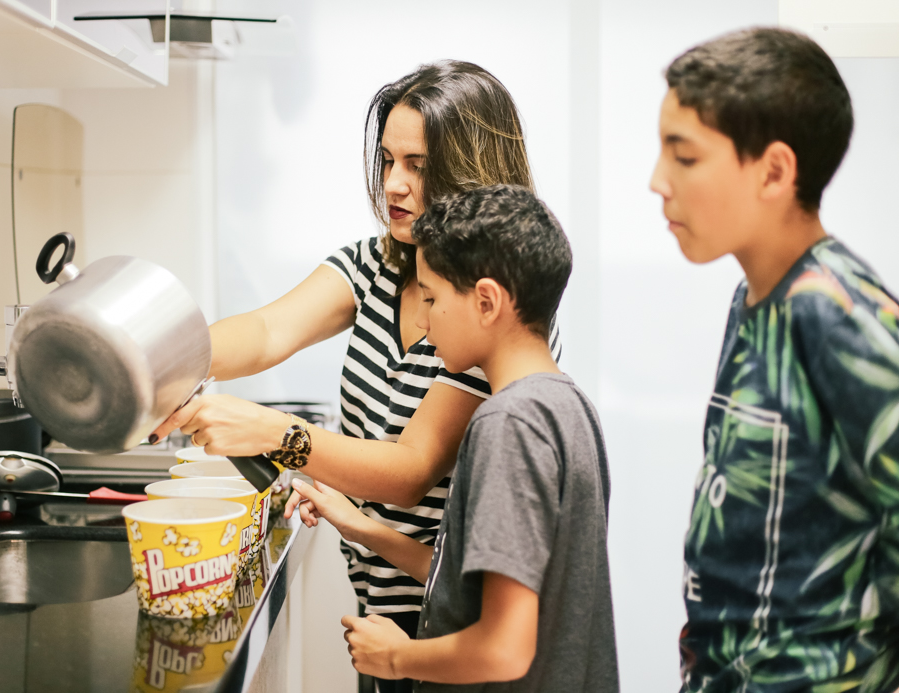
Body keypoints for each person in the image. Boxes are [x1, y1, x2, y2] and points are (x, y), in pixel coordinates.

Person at [150, 61, 562, 693]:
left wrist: (269, 431)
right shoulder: (374, 264)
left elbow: (410, 469)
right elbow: (265, 332)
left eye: (419, 166)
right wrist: (157, 363)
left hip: (446, 636)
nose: (394, 185)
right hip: (384, 622)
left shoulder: (492, 312)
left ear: (472, 173)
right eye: (388, 160)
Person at [289, 185, 618, 691]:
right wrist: (360, 527)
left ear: (486, 301)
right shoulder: (569, 409)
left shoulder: (507, 425)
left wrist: (398, 657)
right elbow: (470, 588)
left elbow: (503, 648)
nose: (422, 321)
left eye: (432, 298)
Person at [650, 28, 899, 692]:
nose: (657, 182)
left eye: (685, 157)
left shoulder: (836, 313)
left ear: (774, 171)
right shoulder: (752, 299)